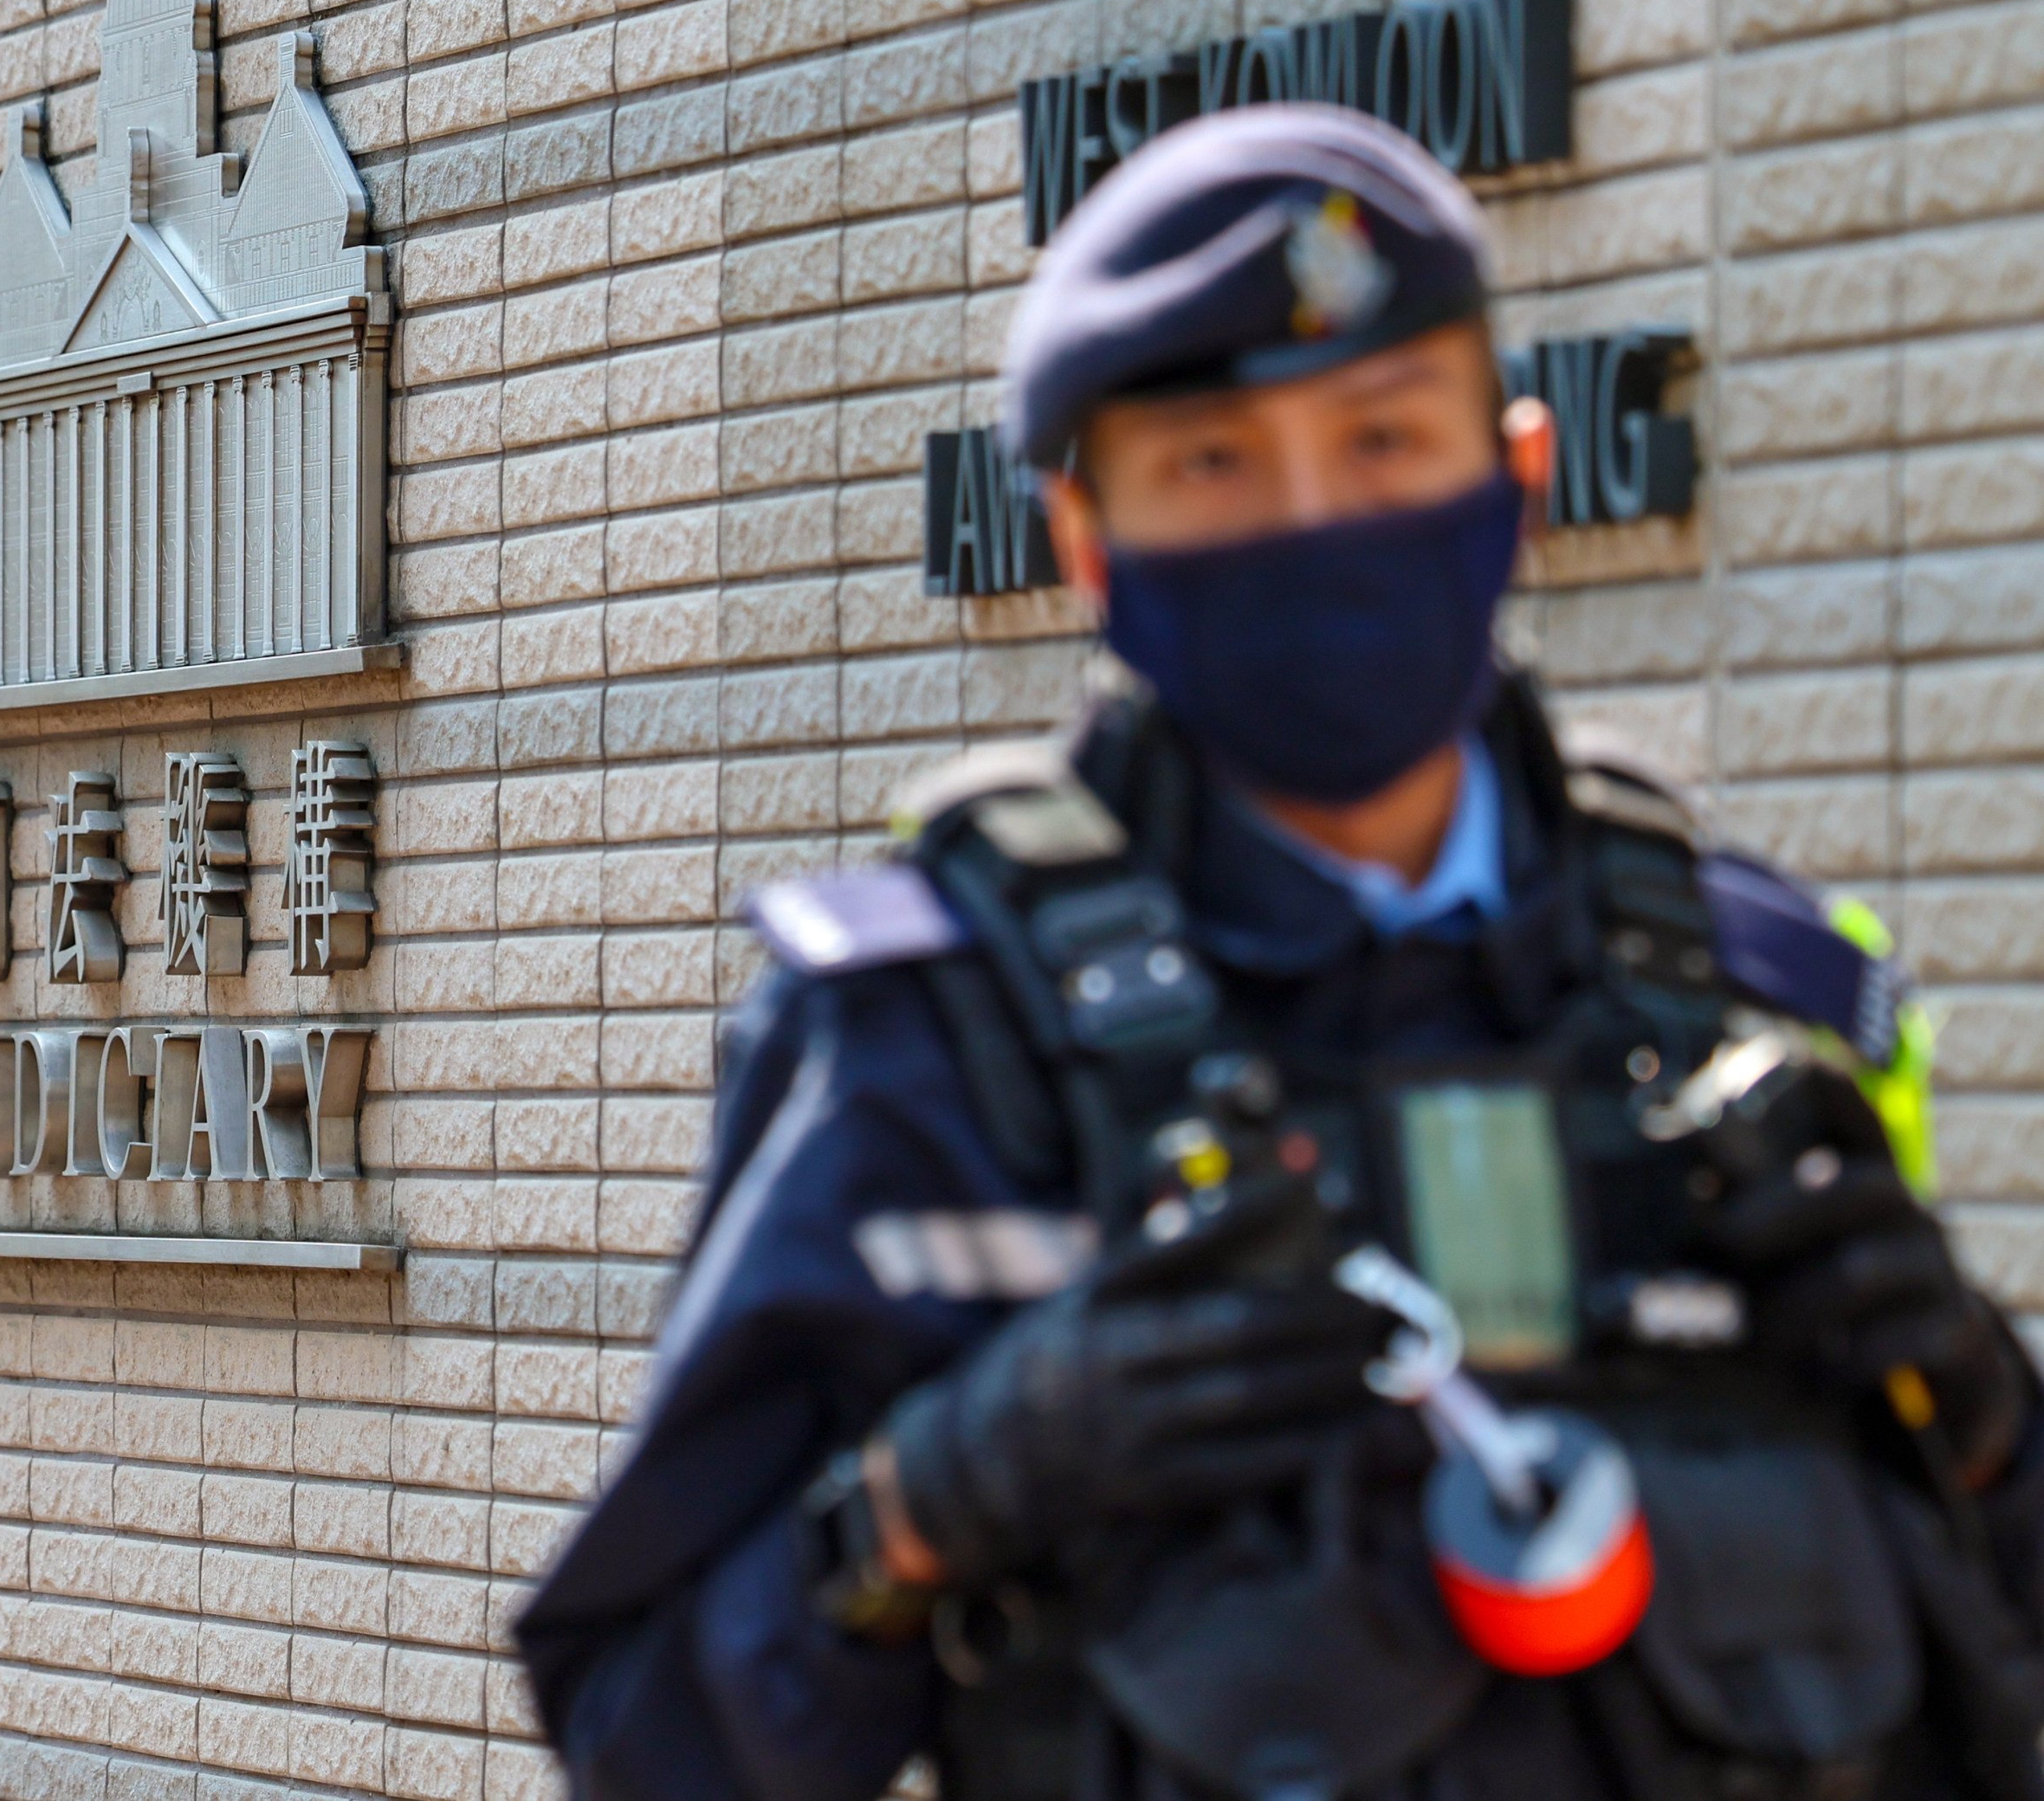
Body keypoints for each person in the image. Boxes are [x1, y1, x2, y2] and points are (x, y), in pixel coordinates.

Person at [514, 104, 2044, 1801]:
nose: (1311, 519)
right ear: (1084, 540)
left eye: (1383, 441)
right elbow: (641, 1740)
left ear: (1514, 479)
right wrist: (939, 1491)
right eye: (1214, 465)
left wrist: (1980, 1428)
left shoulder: (1745, 994)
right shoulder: (923, 1035)